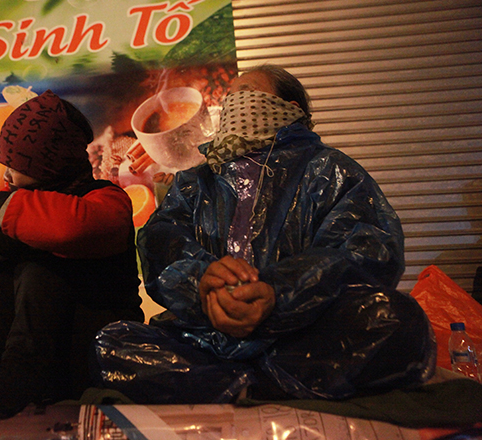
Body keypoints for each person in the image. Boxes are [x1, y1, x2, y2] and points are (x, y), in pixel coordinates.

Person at [92, 64, 436, 404]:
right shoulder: (197, 181)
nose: (233, 105)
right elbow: (162, 244)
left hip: (304, 332)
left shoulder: (330, 170)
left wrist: (279, 292)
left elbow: (367, 250)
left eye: (246, 94)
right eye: (230, 98)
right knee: (113, 343)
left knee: (399, 320)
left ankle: (232, 383)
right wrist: (203, 284)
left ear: (289, 108)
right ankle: (274, 382)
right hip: (209, 335)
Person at [0, 90, 144, 417]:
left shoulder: (108, 199)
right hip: (20, 359)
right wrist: (4, 238)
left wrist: (5, 219)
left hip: (92, 354)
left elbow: (68, 228)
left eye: (14, 165)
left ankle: (22, 373)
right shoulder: (11, 197)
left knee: (40, 259)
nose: (5, 175)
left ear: (48, 165)